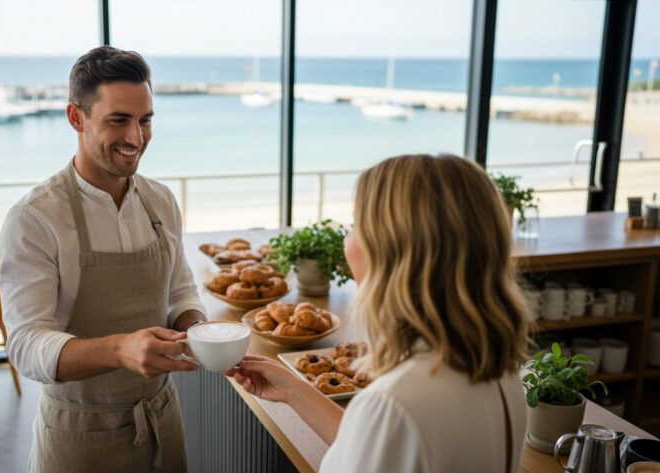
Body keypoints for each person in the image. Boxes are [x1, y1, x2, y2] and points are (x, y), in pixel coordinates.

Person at [227, 154, 531, 473]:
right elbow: (383, 448)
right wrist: (294, 391)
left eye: (356, 226)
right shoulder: (500, 372)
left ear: (393, 253)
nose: (347, 240)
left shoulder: (394, 403)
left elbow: (386, 431)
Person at [0, 46, 207, 472]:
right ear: (76, 118)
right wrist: (120, 350)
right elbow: (24, 345)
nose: (136, 138)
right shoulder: (34, 218)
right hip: (78, 436)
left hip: (163, 421)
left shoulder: (162, 201)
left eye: (145, 120)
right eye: (118, 120)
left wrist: (201, 332)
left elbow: (180, 291)